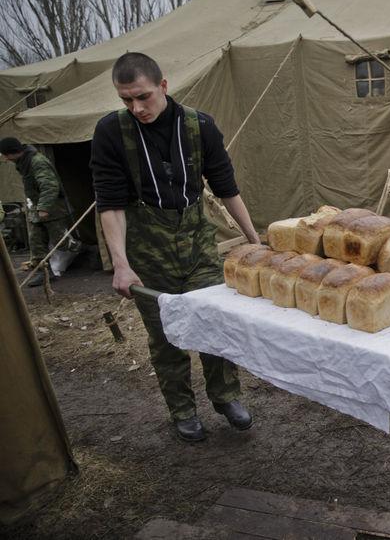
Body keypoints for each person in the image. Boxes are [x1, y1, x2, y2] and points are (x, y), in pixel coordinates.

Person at [92, 52, 262, 442]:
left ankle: (226, 396)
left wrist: (255, 240)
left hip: (197, 243)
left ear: (163, 86)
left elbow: (226, 187)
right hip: (147, 250)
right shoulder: (111, 132)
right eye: (126, 99)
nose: (136, 107)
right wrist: (121, 264)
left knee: (214, 321)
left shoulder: (200, 126)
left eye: (143, 96)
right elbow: (110, 203)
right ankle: (182, 409)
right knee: (165, 334)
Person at [0, 137, 81, 287]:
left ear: (11, 153)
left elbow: (50, 186)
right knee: (36, 241)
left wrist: (44, 207)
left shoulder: (37, 161)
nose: (5, 159)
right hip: (37, 207)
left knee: (61, 242)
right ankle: (43, 272)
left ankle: (85, 250)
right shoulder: (23, 162)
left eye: (5, 155)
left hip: (53, 208)